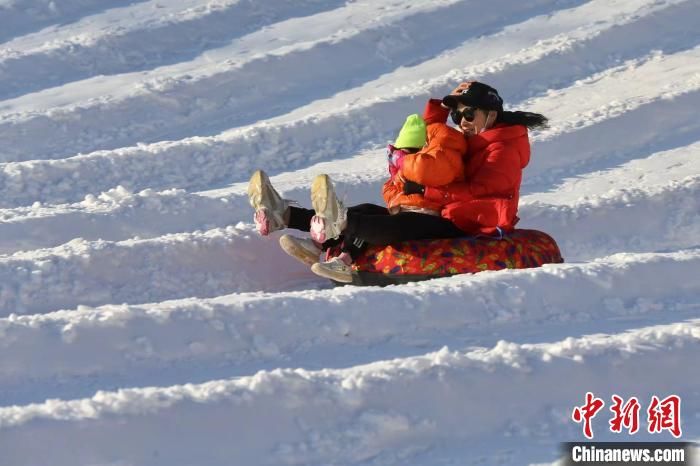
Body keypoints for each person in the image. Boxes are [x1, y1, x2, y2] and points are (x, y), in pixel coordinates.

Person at [248, 107, 468, 283]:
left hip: (437, 220)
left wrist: (407, 166)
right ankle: (287, 218)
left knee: (374, 224)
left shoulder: (444, 162)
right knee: (365, 211)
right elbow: (393, 193)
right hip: (409, 213)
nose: (396, 162)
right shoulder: (405, 176)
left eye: (402, 156)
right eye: (394, 155)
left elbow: (430, 172)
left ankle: (340, 248)